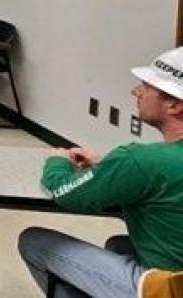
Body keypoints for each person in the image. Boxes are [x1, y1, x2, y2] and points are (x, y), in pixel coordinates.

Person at [19, 47, 183, 297]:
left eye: (146, 86)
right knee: (119, 245)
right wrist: (107, 167)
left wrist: (57, 162)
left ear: (175, 105)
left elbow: (66, 194)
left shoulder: (140, 160)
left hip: (169, 289)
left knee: (34, 241)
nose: (136, 91)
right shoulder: (149, 163)